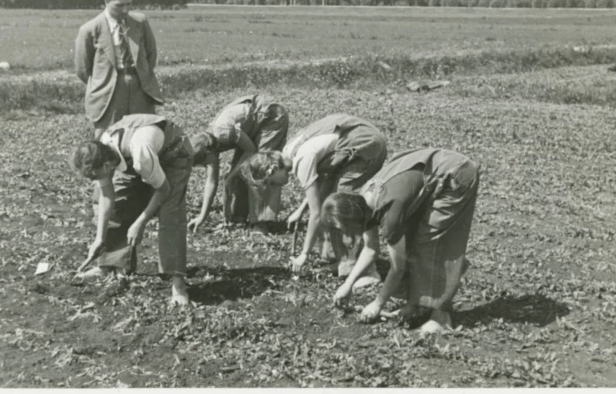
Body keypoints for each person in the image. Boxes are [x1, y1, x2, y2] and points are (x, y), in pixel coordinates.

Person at [321, 148, 480, 333]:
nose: (346, 236)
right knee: (412, 239)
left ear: (352, 219)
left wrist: (377, 304)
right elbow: (371, 249)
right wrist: (347, 285)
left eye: (343, 230)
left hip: (455, 174)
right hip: (437, 172)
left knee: (432, 243)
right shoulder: (363, 203)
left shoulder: (388, 213)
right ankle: (416, 304)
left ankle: (441, 317)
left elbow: (398, 268)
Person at [239, 113, 388, 284]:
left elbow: (316, 214)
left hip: (367, 145)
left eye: (271, 182)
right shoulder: (289, 151)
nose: (276, 187)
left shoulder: (302, 159)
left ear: (272, 169)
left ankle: (367, 271)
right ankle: (344, 261)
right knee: (330, 202)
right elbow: (318, 190)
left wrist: (304, 254)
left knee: (344, 205)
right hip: (352, 147)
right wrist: (300, 210)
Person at [71, 114, 193, 306]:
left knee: (170, 213)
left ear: (107, 166)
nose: (95, 180)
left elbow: (164, 189)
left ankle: (178, 285)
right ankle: (109, 264)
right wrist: (99, 238)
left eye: (95, 176)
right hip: (140, 154)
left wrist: (140, 222)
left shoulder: (140, 153)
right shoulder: (103, 149)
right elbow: (107, 195)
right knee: (120, 199)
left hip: (174, 153)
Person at [75, 0, 163, 139]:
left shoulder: (140, 23)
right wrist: (104, 82)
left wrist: (139, 77)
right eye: (119, 5)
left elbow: (151, 56)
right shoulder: (89, 30)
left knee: (142, 136)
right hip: (109, 92)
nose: (125, 10)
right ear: (106, 1)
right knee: (107, 141)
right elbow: (82, 69)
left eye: (129, 4)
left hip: (139, 88)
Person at [187, 94, 289, 235]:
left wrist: (233, 175)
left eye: (204, 163)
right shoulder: (210, 144)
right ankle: (237, 219)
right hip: (249, 129)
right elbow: (211, 182)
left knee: (259, 168)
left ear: (208, 153)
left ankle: (261, 223)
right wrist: (201, 217)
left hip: (271, 117)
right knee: (235, 173)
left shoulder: (223, 133)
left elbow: (252, 151)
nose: (206, 166)